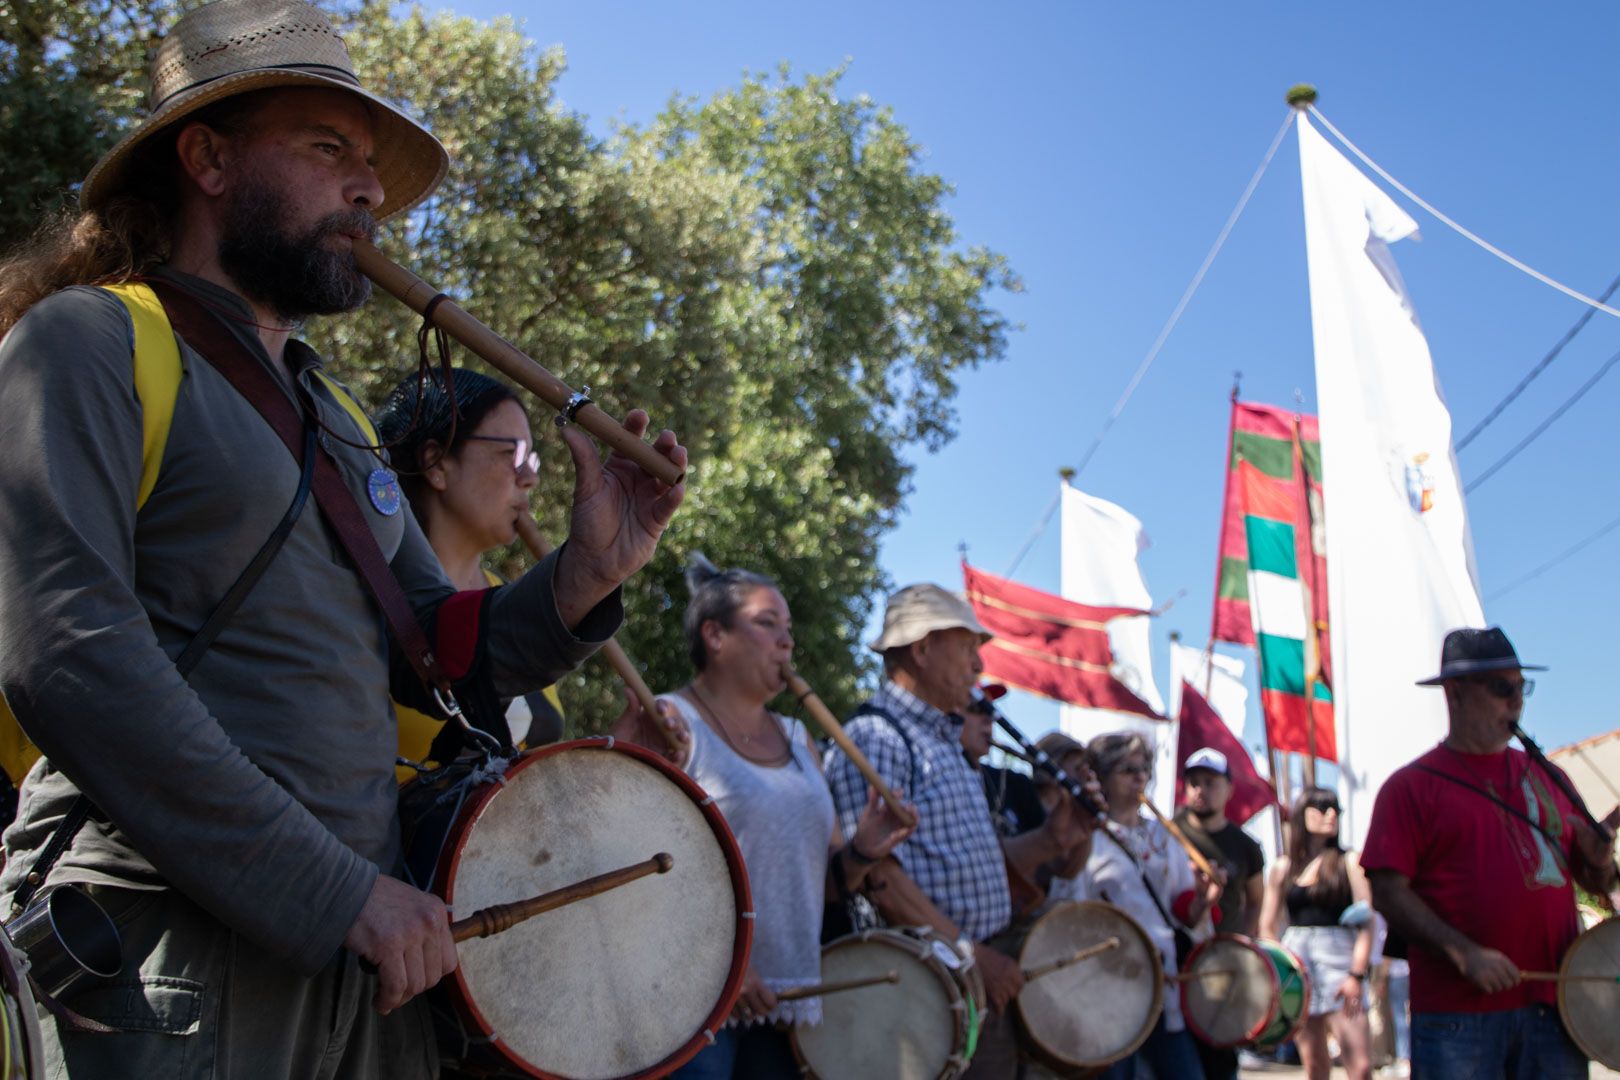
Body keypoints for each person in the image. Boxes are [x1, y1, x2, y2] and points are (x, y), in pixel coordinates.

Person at [0, 2, 685, 1076]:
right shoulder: (88, 339)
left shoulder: (342, 417)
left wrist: (587, 572)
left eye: (369, 162)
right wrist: (333, 892)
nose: (368, 191)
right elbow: (69, 654)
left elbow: (432, 659)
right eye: (329, 151)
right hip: (160, 949)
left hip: (367, 965)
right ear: (208, 158)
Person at [615, 554, 914, 1078]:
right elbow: (637, 870)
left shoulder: (801, 742)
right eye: (766, 623)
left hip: (786, 1001)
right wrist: (723, 967)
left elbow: (818, 886)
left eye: (789, 628)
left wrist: (864, 849)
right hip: (689, 1004)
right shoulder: (669, 723)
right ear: (715, 635)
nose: (787, 642)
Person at [822, 584, 1096, 1080]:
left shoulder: (943, 740)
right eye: (968, 648)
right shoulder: (878, 736)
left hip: (972, 968)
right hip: (933, 984)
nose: (977, 666)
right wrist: (969, 954)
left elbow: (972, 860)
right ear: (923, 649)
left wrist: (1056, 838)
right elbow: (879, 878)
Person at [1363, 627, 1619, 1080]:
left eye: (1522, 687)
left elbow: (1596, 885)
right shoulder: (1410, 788)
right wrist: (1463, 953)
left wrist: (1599, 862)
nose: (1517, 701)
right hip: (1458, 1015)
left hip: (1555, 1010)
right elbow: (1386, 892)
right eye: (1503, 688)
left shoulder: (1548, 777)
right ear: (1456, 695)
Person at [375, 367, 566, 774]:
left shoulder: (512, 606)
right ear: (436, 463)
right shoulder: (372, 601)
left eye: (530, 458)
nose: (529, 477)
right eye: (512, 454)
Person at [1050, 731, 1222, 1080]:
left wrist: (1203, 900)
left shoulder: (1164, 836)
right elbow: (1068, 914)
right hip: (1108, 988)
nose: (1140, 777)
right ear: (1102, 775)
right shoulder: (1086, 835)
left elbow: (1182, 909)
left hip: (1164, 981)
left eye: (1144, 768)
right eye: (1128, 769)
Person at [1258, 786, 1373, 1080]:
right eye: (1322, 808)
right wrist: (1282, 968)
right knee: (1315, 1065)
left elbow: (1367, 922)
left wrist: (1356, 974)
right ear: (1302, 815)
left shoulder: (1350, 862)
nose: (1330, 815)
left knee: (1359, 1067)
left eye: (1335, 808)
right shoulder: (1284, 868)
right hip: (1299, 964)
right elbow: (1267, 926)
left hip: (1341, 962)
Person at [1175, 747, 1266, 1080]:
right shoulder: (1168, 834)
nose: (1201, 789)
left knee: (1220, 1054)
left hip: (1222, 961)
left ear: (1229, 788)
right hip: (1175, 957)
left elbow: (1256, 898)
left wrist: (1246, 940)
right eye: (1194, 782)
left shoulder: (1246, 846)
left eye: (1211, 782)